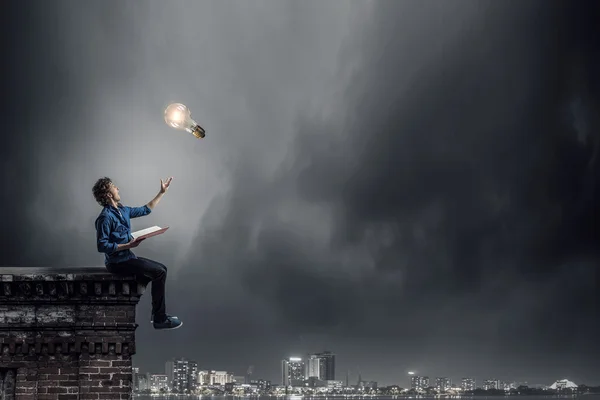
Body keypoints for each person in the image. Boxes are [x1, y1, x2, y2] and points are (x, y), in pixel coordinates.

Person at [92, 176, 182, 330]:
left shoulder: (123, 210)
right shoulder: (105, 218)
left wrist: (162, 192)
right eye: (114, 186)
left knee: (162, 269)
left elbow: (146, 209)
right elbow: (102, 246)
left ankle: (156, 314)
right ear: (108, 194)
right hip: (117, 263)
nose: (117, 188)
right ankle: (160, 319)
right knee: (159, 272)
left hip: (128, 258)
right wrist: (127, 245)